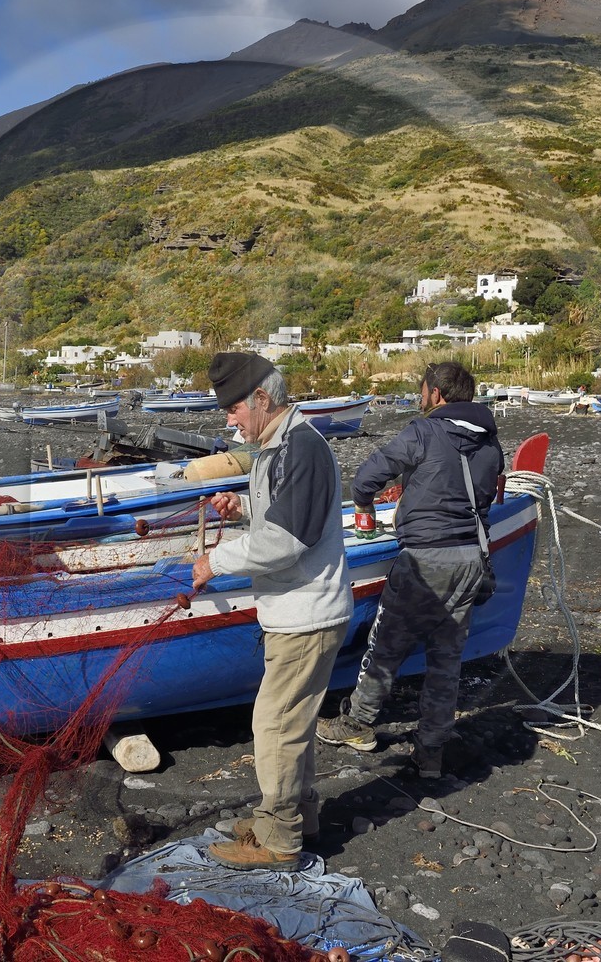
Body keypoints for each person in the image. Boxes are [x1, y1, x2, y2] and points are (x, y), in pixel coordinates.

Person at [191, 352, 353, 872]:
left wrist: (214, 562)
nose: (230, 419)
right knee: (294, 722)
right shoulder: (278, 447)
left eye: (234, 408)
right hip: (299, 611)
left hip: (306, 614)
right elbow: (278, 519)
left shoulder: (299, 447)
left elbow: (286, 542)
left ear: (262, 399)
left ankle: (280, 840)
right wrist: (243, 512)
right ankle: (295, 818)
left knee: (275, 725)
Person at [317, 360, 503, 778]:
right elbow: (484, 503)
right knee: (446, 658)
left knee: (388, 643)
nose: (421, 398)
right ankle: (431, 752)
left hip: (425, 559)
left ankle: (359, 723)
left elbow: (367, 477)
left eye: (422, 391)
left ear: (435, 394)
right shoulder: (491, 445)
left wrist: (364, 506)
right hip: (470, 559)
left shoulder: (424, 431)